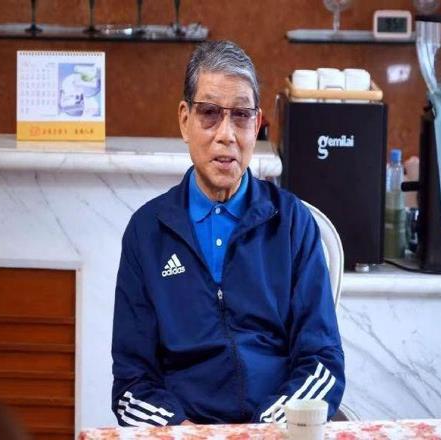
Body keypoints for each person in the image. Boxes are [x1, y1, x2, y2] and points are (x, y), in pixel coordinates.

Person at [112, 40, 344, 427]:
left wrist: (264, 430)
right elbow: (132, 385)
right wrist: (184, 433)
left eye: (241, 116)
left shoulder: (291, 222)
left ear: (256, 124)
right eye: (209, 114)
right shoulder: (147, 232)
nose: (226, 134)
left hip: (273, 429)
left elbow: (322, 362)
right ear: (184, 120)